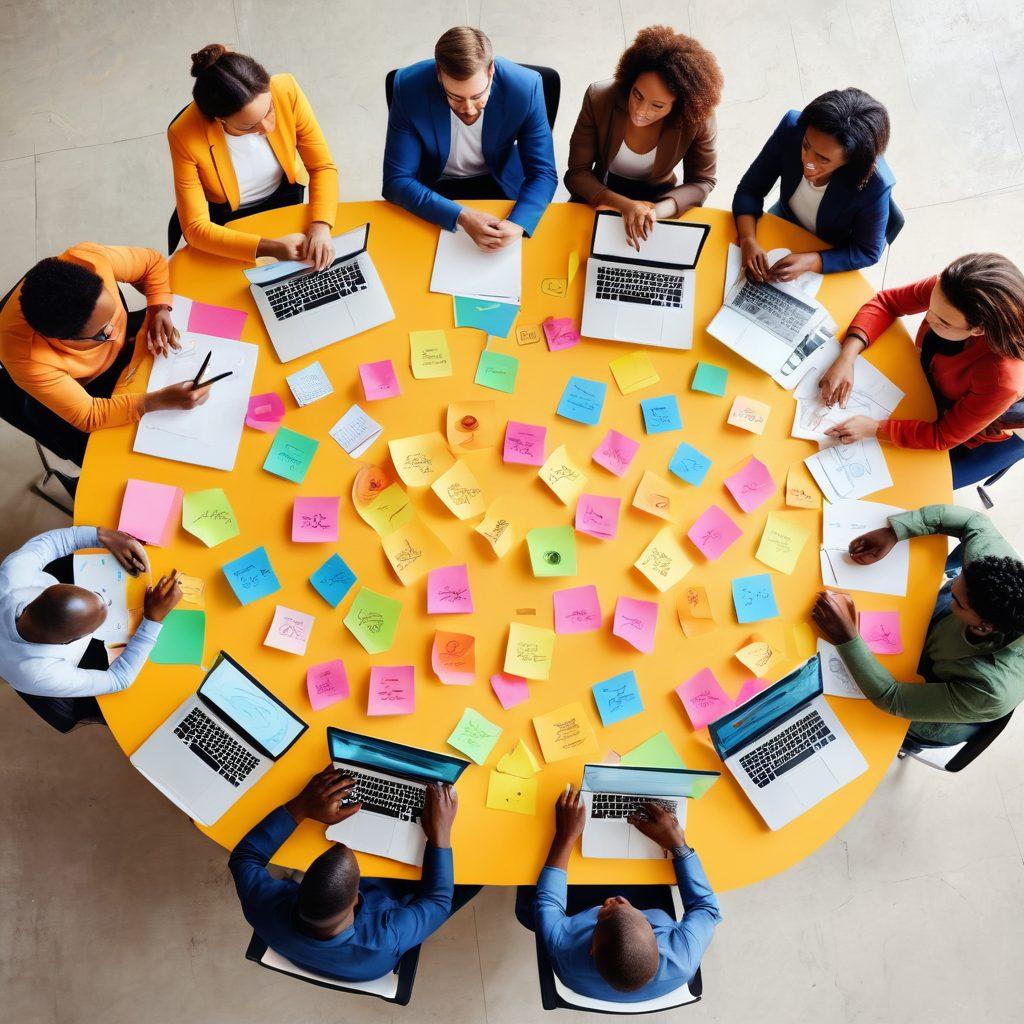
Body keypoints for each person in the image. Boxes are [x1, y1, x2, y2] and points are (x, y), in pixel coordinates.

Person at [229, 768, 479, 981]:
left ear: (296, 887)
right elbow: (438, 902)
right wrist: (441, 833)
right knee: (473, 879)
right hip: (368, 963)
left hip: (299, 950)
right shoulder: (386, 937)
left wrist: (301, 806)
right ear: (358, 898)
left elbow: (244, 857)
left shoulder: (262, 905)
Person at [812, 504, 1024, 749]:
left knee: (853, 717)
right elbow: (974, 521)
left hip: (942, 708)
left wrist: (846, 636)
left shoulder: (989, 691)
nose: (952, 585)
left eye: (958, 601)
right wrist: (895, 532)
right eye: (959, 576)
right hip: (936, 639)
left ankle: (909, 744)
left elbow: (891, 697)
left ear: (984, 627)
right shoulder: (995, 573)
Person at [818, 253, 1024, 489]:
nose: (927, 317)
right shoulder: (950, 291)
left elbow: (942, 436)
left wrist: (875, 428)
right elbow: (888, 302)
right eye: (931, 307)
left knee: (913, 485)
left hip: (970, 430)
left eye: (942, 322)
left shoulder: (1001, 378)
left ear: (978, 330)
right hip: (930, 384)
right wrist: (847, 356)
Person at [0, 244, 207, 468]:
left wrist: (159, 308)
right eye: (101, 334)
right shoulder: (25, 357)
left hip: (126, 357)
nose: (116, 331)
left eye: (113, 314)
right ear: (55, 339)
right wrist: (156, 401)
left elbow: (152, 263)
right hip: (87, 389)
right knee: (128, 462)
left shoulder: (90, 259)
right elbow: (88, 415)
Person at [516, 786, 721, 1002]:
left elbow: (547, 902)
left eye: (602, 913)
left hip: (576, 907)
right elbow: (706, 908)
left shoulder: (564, 950)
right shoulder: (683, 957)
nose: (617, 898)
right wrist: (678, 844)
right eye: (646, 920)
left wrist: (566, 836)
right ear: (658, 944)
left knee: (531, 907)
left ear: (591, 949)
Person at [382, 26, 557, 251]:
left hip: (500, 181)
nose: (468, 109)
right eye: (455, 97)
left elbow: (543, 173)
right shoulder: (408, 86)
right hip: (434, 186)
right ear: (439, 75)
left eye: (477, 96)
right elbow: (396, 180)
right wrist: (462, 217)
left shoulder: (526, 86)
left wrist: (518, 223)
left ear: (491, 71)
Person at [0, 525, 181, 733]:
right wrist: (152, 620)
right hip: (57, 667)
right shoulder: (41, 673)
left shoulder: (13, 577)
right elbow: (120, 679)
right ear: (69, 642)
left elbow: (51, 543)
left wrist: (101, 536)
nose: (106, 599)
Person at [168, 45, 338, 265]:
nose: (267, 128)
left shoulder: (286, 89)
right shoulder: (184, 133)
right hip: (228, 217)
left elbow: (321, 166)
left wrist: (321, 224)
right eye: (249, 125)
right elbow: (195, 227)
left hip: (286, 193)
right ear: (220, 119)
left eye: (269, 110)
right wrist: (270, 247)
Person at [565, 25, 723, 250]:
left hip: (657, 197)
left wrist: (655, 212)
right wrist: (623, 205)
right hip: (601, 190)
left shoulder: (697, 119)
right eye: (637, 95)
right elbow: (576, 173)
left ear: (678, 106)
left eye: (657, 106)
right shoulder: (599, 98)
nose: (640, 111)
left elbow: (703, 181)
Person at [733, 87, 893, 280]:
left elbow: (867, 251)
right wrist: (747, 239)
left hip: (830, 248)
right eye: (806, 146)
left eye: (823, 159)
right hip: (785, 217)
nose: (806, 161)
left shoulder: (874, 183)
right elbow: (750, 190)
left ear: (850, 161)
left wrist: (812, 261)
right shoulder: (793, 129)